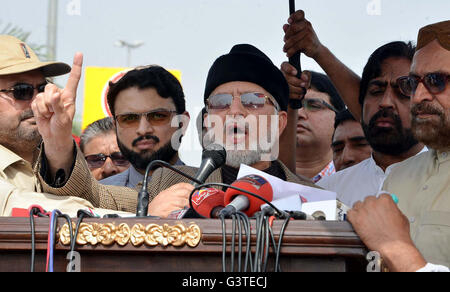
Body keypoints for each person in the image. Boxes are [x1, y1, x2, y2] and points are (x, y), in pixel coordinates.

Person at [32, 44, 317, 217]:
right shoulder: (169, 183)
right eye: (220, 102)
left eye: (253, 101)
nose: (235, 112)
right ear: (207, 122)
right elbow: (96, 197)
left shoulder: (318, 200)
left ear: (280, 122)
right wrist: (58, 143)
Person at [282, 12, 427, 206]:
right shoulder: (327, 194)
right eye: (376, 90)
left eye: (403, 92)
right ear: (362, 102)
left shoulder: (443, 179)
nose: (385, 102)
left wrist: (318, 51)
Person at [348, 20, 450, 272]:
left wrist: (395, 247)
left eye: (436, 81)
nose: (418, 96)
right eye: (413, 83)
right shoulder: (398, 176)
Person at [0, 35, 128, 217]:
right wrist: (135, 221)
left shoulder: (51, 158)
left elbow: (105, 196)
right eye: (22, 91)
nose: (38, 101)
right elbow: (15, 204)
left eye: (43, 89)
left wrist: (59, 142)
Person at [295, 71, 345, 182]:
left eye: (313, 106)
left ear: (338, 118)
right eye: (291, 106)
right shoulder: (254, 176)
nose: (298, 114)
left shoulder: (355, 179)